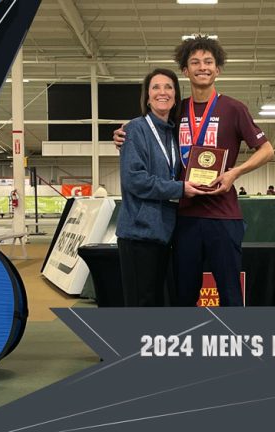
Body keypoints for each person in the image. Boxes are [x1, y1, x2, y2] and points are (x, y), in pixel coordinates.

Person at [115, 36, 274, 307]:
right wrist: (122, 133)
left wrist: (235, 173)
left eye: (208, 62)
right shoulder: (177, 111)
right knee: (184, 296)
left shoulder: (234, 108)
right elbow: (151, 128)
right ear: (185, 71)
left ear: (217, 69)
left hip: (223, 216)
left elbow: (267, 150)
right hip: (184, 218)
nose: (202, 67)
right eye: (195, 62)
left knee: (231, 295)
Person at [116, 68, 205, 307]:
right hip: (139, 233)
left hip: (165, 233)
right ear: (147, 97)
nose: (162, 92)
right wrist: (180, 189)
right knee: (142, 305)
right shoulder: (135, 129)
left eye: (168, 87)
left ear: (176, 97)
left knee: (158, 302)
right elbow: (134, 180)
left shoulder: (174, 133)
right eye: (155, 87)